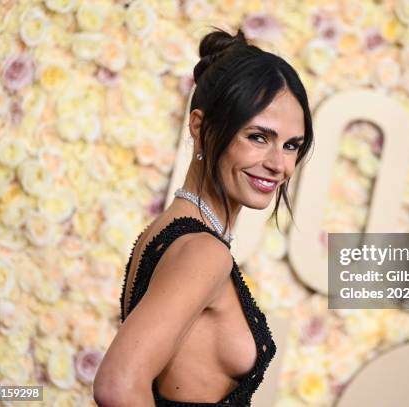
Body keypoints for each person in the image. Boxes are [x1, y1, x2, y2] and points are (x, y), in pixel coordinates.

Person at [93, 26, 314, 406]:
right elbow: (117, 386)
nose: (279, 165)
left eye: (291, 145)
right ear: (200, 127)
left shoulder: (169, 232)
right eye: (258, 137)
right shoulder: (203, 252)